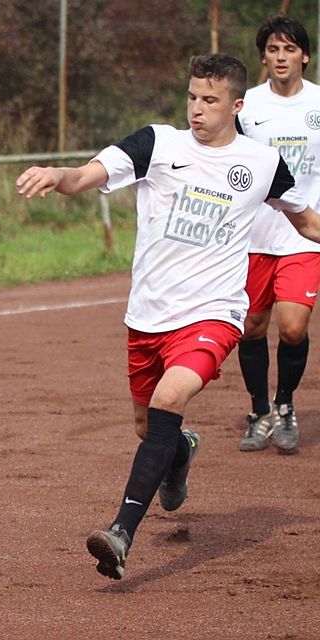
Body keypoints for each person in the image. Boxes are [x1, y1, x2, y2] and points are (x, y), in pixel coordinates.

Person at [16, 53, 320, 580]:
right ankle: (179, 454)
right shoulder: (157, 143)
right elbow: (86, 174)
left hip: (213, 313)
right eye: (192, 97)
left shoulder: (263, 163)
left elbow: (307, 220)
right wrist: (57, 174)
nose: (197, 109)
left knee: (169, 398)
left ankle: (120, 532)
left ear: (237, 105)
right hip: (147, 317)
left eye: (210, 100)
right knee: (149, 427)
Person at [234, 16, 320, 454]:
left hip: (303, 237)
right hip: (251, 238)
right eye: (272, 49)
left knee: (291, 328)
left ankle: (285, 405)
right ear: (263, 56)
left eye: (289, 49)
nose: (281, 57)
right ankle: (259, 410)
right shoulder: (244, 106)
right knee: (250, 328)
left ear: (305, 55)